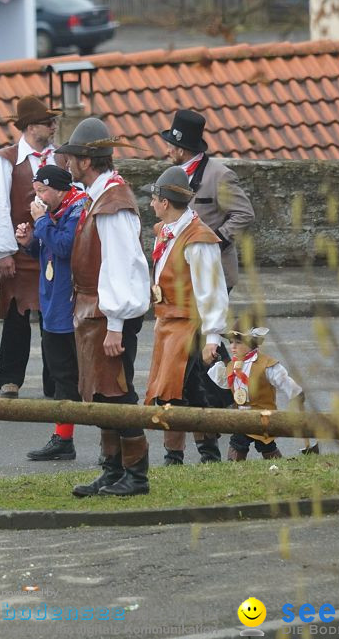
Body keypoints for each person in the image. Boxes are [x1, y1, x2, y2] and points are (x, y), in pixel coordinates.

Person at [58, 118, 152, 497]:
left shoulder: (113, 203)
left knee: (117, 393)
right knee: (100, 394)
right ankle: (111, 469)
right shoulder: (100, 196)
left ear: (86, 160)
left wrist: (115, 323)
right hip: (94, 311)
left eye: (72, 157)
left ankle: (136, 474)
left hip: (108, 313)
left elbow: (121, 264)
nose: (67, 164)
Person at [162, 109, 255, 457]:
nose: (168, 148)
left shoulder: (219, 175)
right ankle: (206, 437)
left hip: (213, 276)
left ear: (183, 147)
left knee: (207, 356)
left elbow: (244, 214)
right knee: (187, 359)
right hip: (181, 282)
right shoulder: (173, 175)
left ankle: (229, 426)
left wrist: (216, 240)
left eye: (172, 143)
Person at [141, 166, 230, 466]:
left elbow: (212, 290)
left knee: (179, 391)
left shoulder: (198, 239)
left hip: (189, 326)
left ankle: (182, 455)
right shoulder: (164, 234)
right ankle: (197, 453)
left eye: (154, 198)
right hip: (168, 323)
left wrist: (212, 337)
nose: (151, 204)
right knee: (181, 389)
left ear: (165, 202)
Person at [0, 95, 59, 399]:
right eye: (46, 122)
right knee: (16, 317)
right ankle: (10, 378)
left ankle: (55, 380)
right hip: (18, 250)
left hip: (51, 247)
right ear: (29, 127)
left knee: (54, 319)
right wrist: (3, 251)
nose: (53, 126)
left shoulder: (59, 157)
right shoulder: (6, 160)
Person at [14, 165, 87, 462]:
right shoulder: (57, 211)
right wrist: (30, 241)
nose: (38, 197)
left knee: (86, 377)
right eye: (36, 191)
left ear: (59, 189)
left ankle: (115, 441)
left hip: (72, 305)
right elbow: (47, 249)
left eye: (43, 191)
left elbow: (65, 246)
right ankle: (63, 439)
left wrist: (41, 220)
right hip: (54, 305)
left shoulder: (77, 209)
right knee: (62, 376)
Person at [208, 322, 304, 460]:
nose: (233, 347)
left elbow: (282, 379)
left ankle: (273, 465)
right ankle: (236, 468)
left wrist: (295, 393)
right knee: (241, 443)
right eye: (231, 342)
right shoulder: (232, 365)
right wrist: (215, 364)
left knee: (262, 444)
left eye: (238, 342)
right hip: (242, 415)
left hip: (263, 415)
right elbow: (225, 383)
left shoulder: (266, 364)